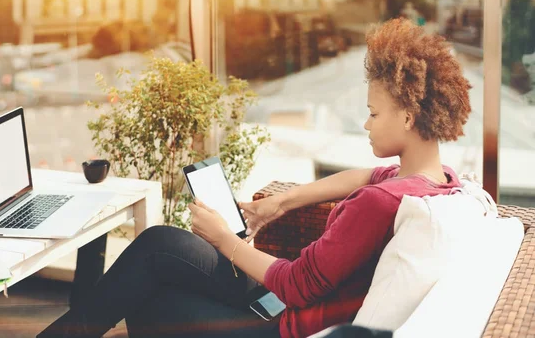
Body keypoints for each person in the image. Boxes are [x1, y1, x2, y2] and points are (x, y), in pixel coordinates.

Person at [38, 18, 472, 338]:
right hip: (284, 304)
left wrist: (225, 239)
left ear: (410, 116)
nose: (366, 124)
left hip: (287, 324)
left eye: (373, 114)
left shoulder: (379, 204)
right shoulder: (437, 180)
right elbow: (366, 175)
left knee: (151, 303)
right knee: (158, 244)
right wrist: (282, 202)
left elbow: (297, 285)